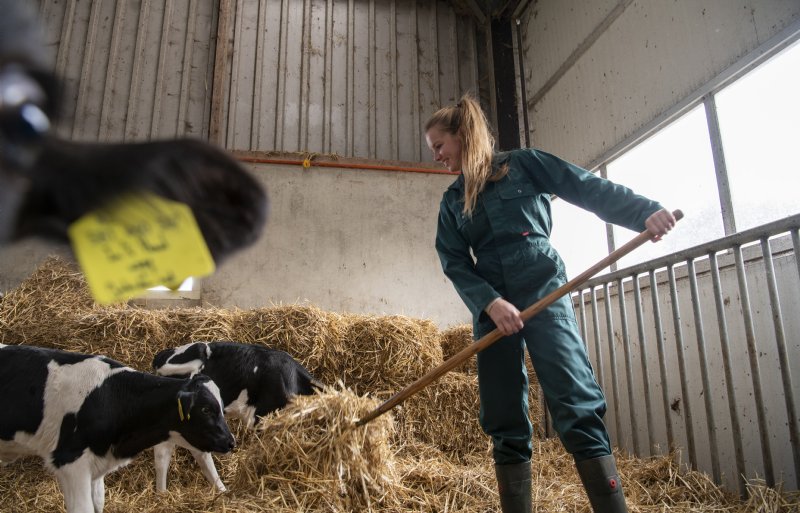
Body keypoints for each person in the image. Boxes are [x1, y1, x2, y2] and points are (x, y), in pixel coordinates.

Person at [425, 93, 675, 513]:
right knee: (502, 412)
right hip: (494, 308)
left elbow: (586, 187)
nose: (435, 156)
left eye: (438, 145)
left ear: (461, 135)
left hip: (544, 290)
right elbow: (453, 260)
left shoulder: (524, 164)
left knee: (575, 399)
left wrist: (644, 213)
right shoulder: (452, 200)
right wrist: (490, 303)